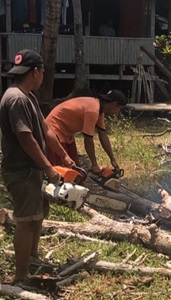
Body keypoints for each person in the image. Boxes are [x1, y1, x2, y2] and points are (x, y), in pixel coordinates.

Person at [0, 49, 74, 285]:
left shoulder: (27, 96)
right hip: (21, 170)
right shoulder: (16, 99)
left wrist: (64, 156)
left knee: (39, 213)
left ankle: (31, 256)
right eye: (42, 71)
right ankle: (21, 275)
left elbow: (46, 130)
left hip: (33, 169)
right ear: (36, 71)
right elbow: (26, 138)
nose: (43, 76)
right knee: (26, 219)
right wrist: (49, 168)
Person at [45, 90, 127, 174]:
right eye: (118, 108)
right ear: (114, 104)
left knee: (77, 172)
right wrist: (94, 165)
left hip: (67, 134)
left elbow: (103, 135)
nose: (117, 112)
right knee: (62, 173)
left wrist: (112, 159)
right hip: (54, 130)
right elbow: (88, 140)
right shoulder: (93, 110)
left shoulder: (99, 111)